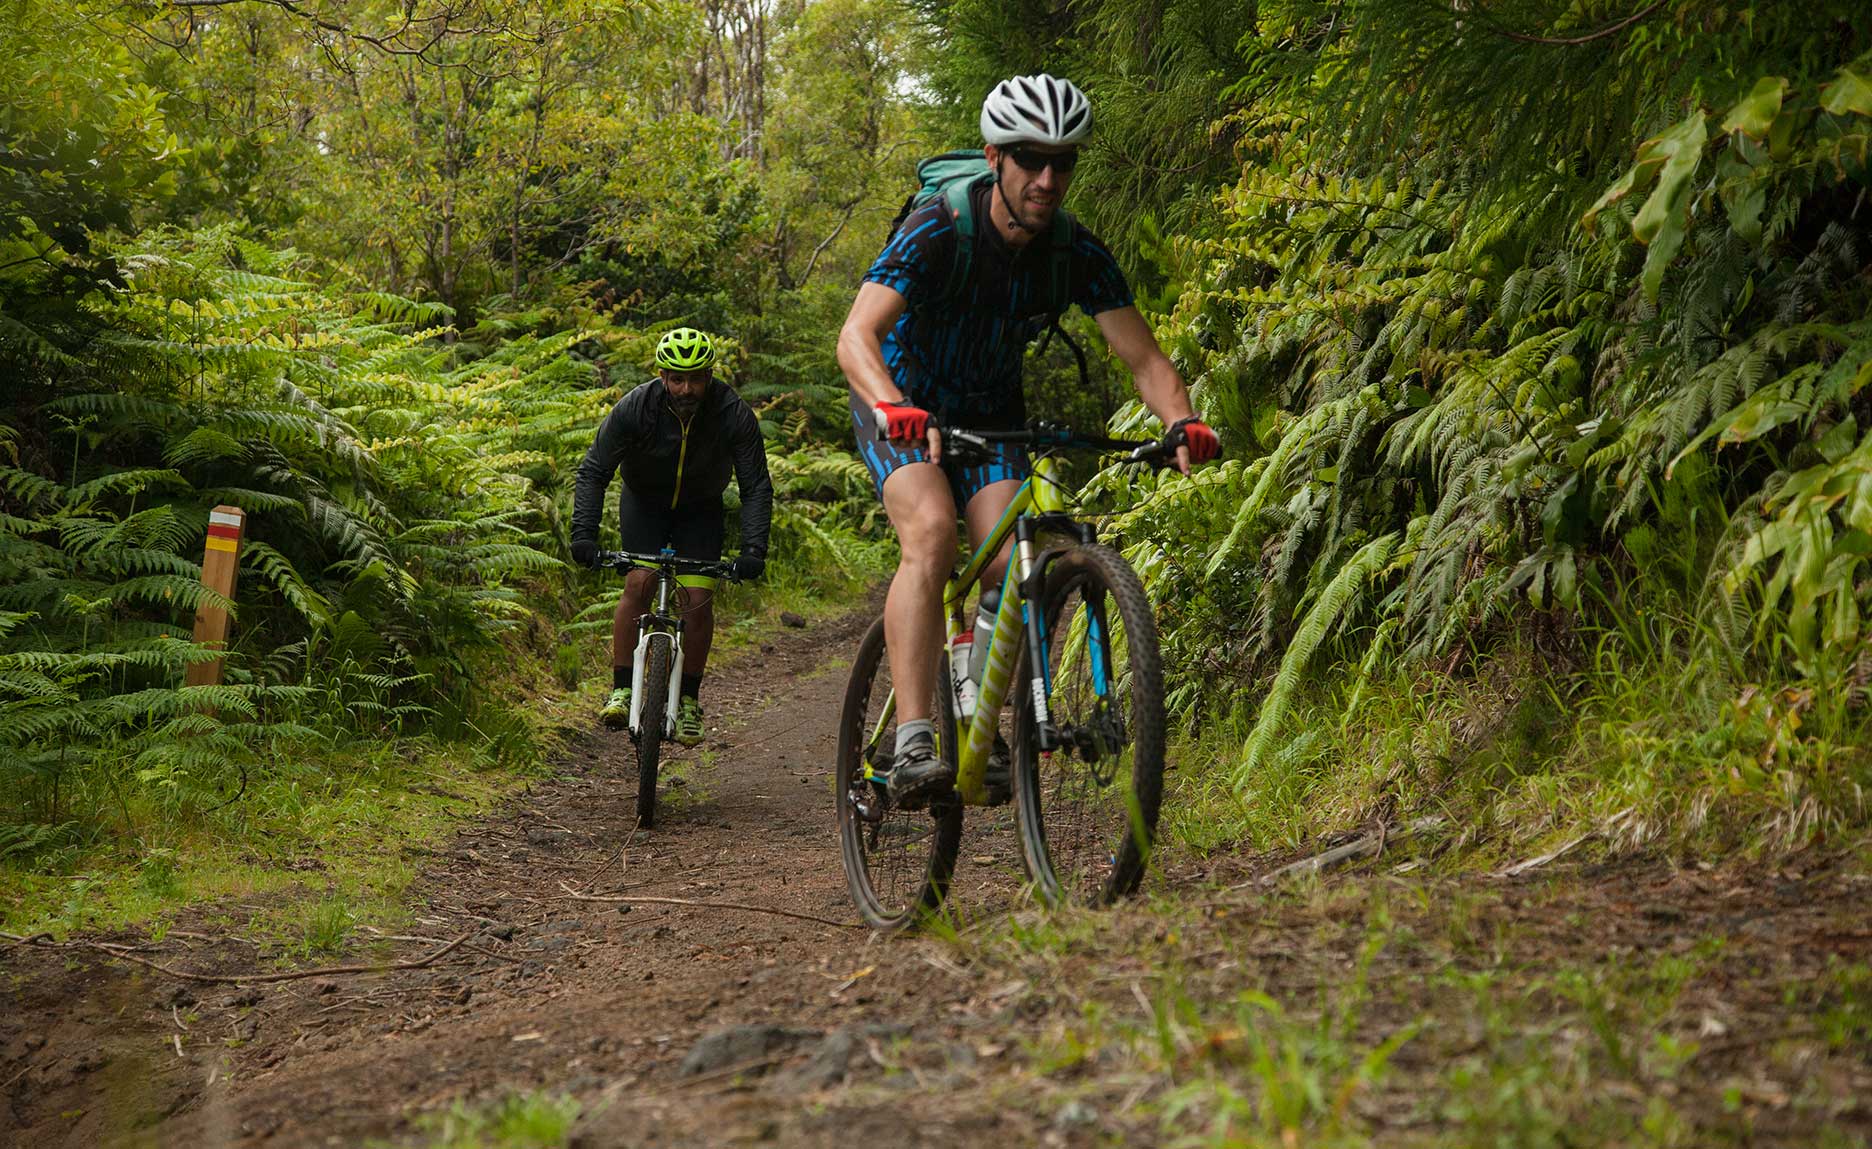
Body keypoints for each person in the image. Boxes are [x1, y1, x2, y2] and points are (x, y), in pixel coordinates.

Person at [835, 73, 1220, 809]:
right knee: (932, 531)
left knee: (1012, 562)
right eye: (1030, 158)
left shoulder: (1072, 251)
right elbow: (857, 334)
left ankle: (979, 703)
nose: (1048, 178)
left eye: (1063, 161)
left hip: (988, 412)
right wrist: (892, 404)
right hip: (902, 399)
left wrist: (1182, 422)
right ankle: (915, 735)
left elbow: (1144, 358)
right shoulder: (939, 227)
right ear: (994, 157)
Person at [570, 327, 772, 746]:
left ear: (709, 375)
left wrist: (753, 549)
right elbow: (594, 471)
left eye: (696, 378)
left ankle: (690, 702)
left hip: (701, 509)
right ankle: (623, 688)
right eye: (677, 379)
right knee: (639, 582)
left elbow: (755, 486)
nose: (687, 388)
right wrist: (583, 534)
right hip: (644, 503)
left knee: (697, 602)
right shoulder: (635, 408)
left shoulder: (732, 413)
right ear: (662, 376)